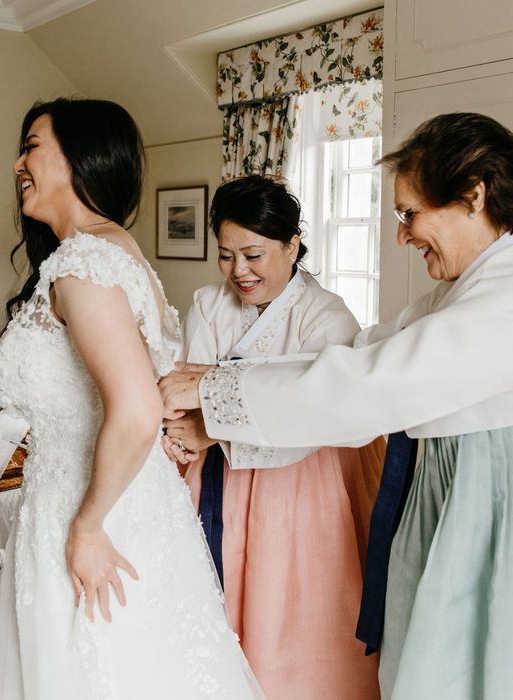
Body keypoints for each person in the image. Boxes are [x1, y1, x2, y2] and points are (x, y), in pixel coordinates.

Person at [159, 112, 513, 700]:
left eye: (410, 213)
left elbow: (372, 385)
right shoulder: (462, 288)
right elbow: (362, 352)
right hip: (443, 494)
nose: (402, 234)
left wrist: (215, 389)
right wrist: (214, 388)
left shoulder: (504, 297)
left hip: (488, 501)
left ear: (472, 196)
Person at [0, 97, 265, 699]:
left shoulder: (84, 265)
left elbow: (134, 409)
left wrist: (89, 527)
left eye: (31, 146)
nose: (18, 163)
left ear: (79, 157)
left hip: (90, 508)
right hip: (122, 498)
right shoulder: (114, 252)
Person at [161, 174, 383, 699]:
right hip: (215, 477)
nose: (239, 271)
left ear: (291, 246)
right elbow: (185, 388)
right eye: (226, 255)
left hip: (299, 478)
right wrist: (183, 432)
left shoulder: (324, 317)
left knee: (288, 605)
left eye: (254, 255)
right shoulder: (210, 305)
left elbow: (317, 412)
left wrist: (212, 421)